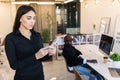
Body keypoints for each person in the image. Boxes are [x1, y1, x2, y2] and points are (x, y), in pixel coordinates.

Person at [5, 5, 56, 80]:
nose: (32, 21)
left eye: (34, 18)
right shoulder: (11, 38)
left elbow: (41, 58)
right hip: (23, 77)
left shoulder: (37, 35)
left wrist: (50, 53)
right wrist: (36, 56)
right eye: (29, 18)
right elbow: (14, 65)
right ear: (20, 18)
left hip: (39, 76)